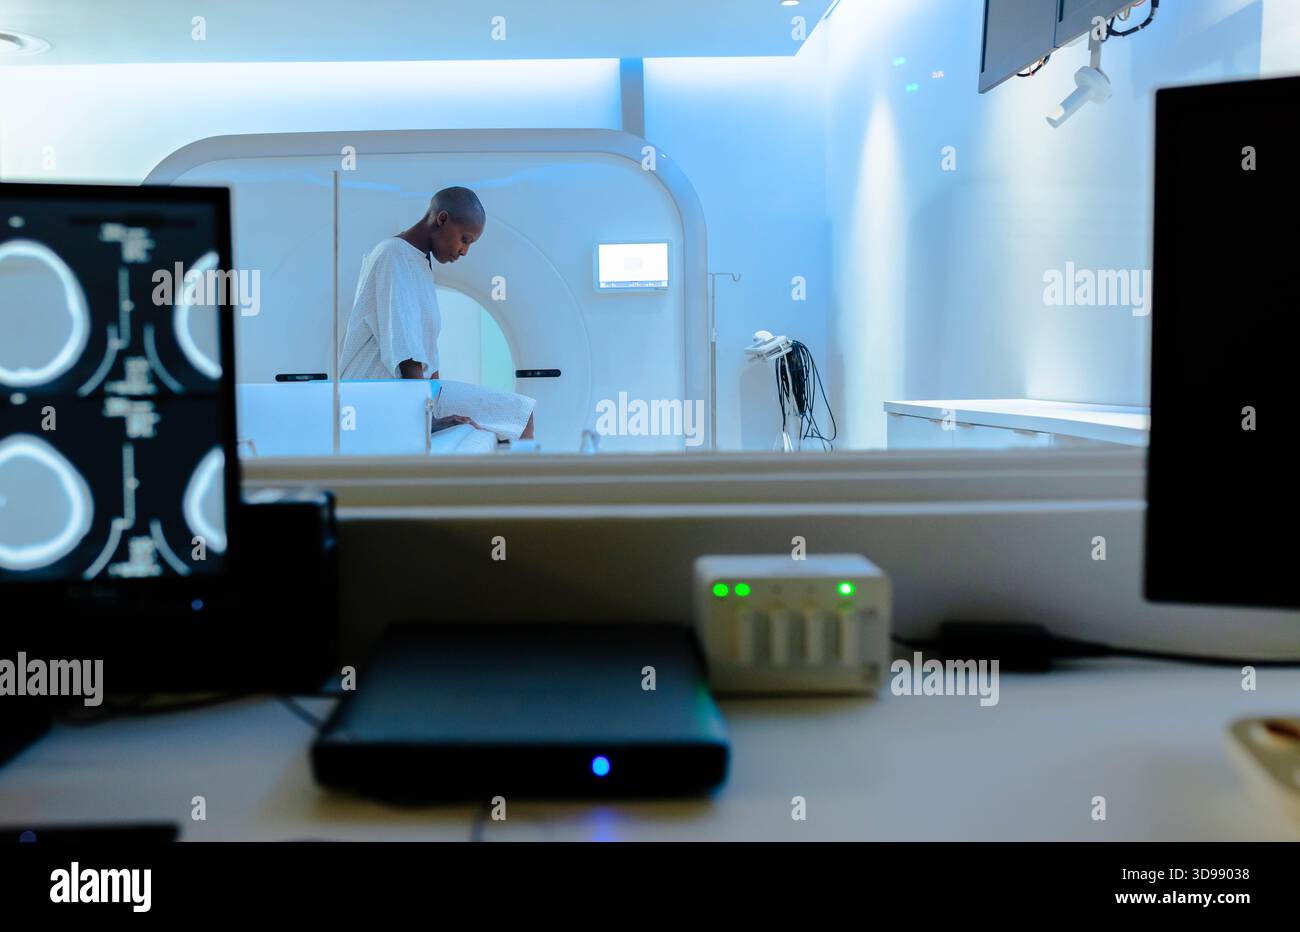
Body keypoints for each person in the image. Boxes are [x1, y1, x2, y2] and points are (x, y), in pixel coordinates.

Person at [339, 186, 534, 439]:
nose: (464, 251)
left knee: (521, 415)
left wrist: (438, 397)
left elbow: (427, 352)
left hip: (408, 392)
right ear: (442, 219)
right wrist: (426, 419)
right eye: (465, 239)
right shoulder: (394, 255)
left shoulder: (419, 262)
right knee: (521, 417)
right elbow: (405, 351)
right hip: (376, 396)